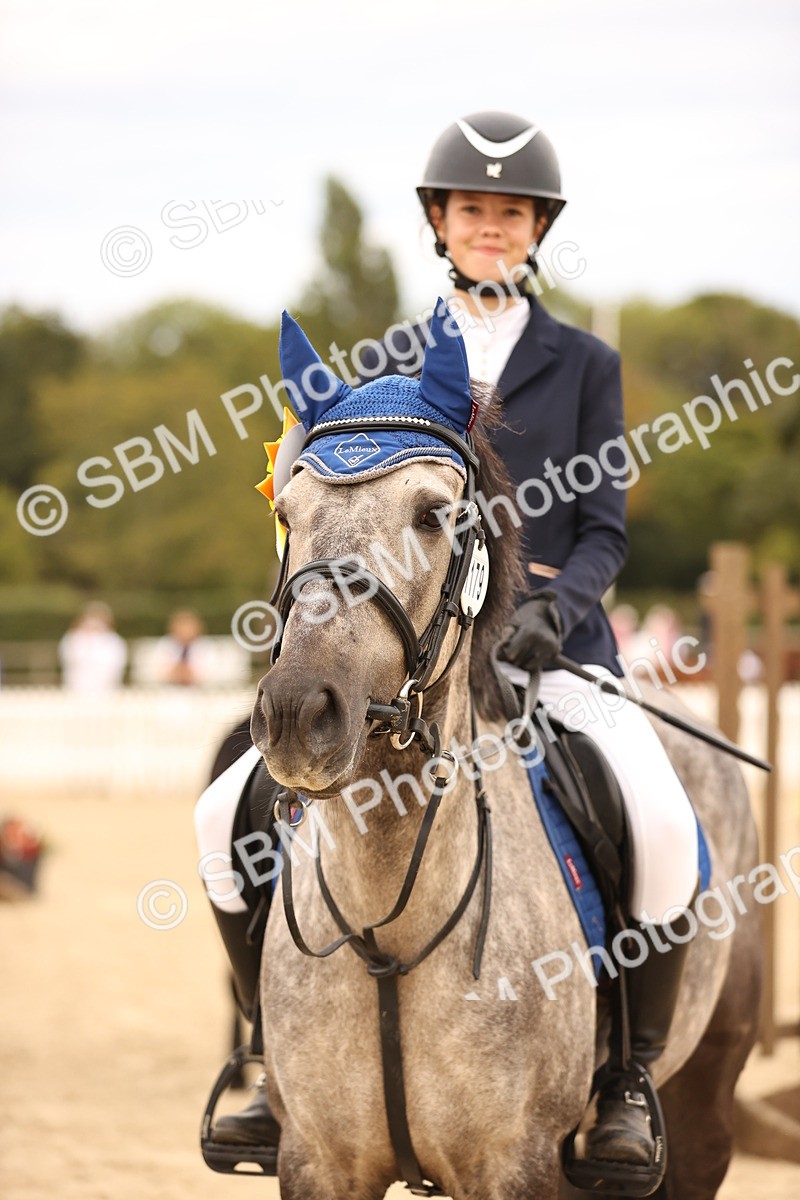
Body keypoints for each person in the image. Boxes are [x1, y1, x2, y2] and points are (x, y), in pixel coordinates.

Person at [196, 111, 700, 1183]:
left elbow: (604, 530)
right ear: (440, 221)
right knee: (219, 814)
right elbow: (336, 513)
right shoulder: (384, 368)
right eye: (472, 209)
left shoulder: (584, 363)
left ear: (536, 228)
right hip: (401, 656)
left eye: (510, 212)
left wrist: (549, 610)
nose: (490, 226)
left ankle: (624, 1077)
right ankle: (267, 1060)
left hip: (551, 648)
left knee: (657, 815)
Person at [58, 601, 127, 692]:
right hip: (77, 685)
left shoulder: (113, 640)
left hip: (105, 686)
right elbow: (70, 658)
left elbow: (115, 662)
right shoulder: (74, 637)